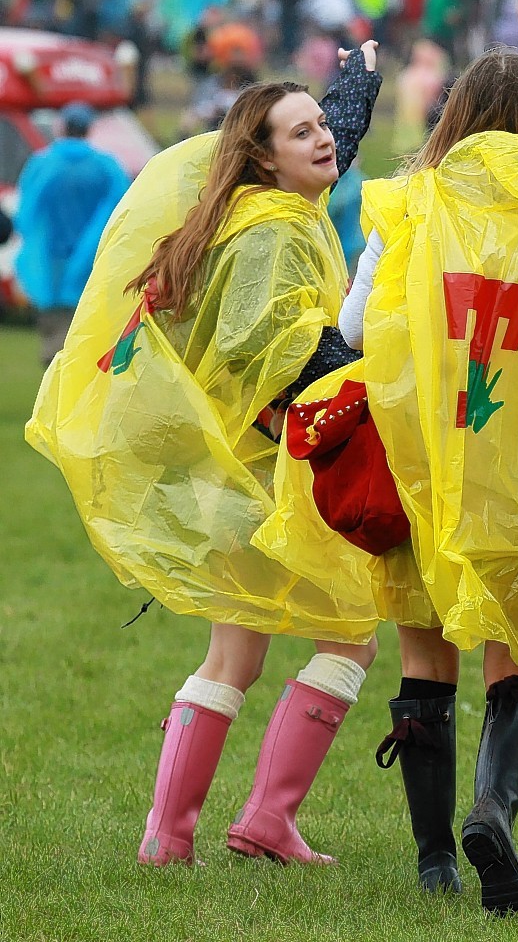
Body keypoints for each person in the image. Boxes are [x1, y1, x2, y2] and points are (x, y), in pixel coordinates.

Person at [263, 48, 518, 914]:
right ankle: (491, 809)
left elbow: (354, 325)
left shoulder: (409, 207)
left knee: (426, 650)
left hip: (420, 460)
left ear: (456, 116)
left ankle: (433, 862)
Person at [26, 44, 384, 868]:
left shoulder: (247, 207)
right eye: (304, 133)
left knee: (234, 651)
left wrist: (354, 88)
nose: (325, 140)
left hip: (222, 477)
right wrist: (376, 379)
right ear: (265, 158)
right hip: (266, 478)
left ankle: (169, 834)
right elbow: (276, 346)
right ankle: (266, 819)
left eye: (323, 126)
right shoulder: (275, 235)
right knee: (351, 635)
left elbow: (324, 141)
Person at [14, 102, 130, 366]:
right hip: (91, 261)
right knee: (84, 331)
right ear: (88, 129)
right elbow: (123, 208)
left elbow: (27, 213)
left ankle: (53, 378)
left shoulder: (43, 163)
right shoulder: (106, 167)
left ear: (63, 127)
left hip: (49, 260)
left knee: (53, 329)